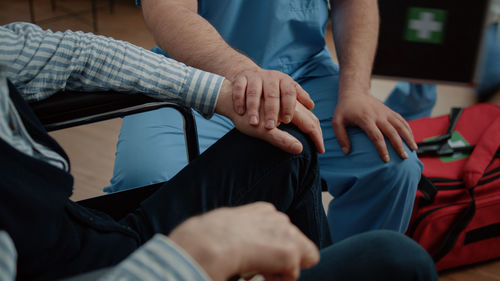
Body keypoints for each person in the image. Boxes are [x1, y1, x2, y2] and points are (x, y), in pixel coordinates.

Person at [0, 22, 439, 281]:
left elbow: (75, 53)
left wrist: (226, 94)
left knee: (294, 143)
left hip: (73, 228)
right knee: (399, 262)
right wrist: (189, 258)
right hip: (93, 263)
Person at [108, 0, 423, 242]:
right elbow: (168, 8)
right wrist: (245, 74)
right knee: (147, 182)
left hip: (304, 74)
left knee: (392, 164)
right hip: (196, 77)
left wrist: (356, 90)